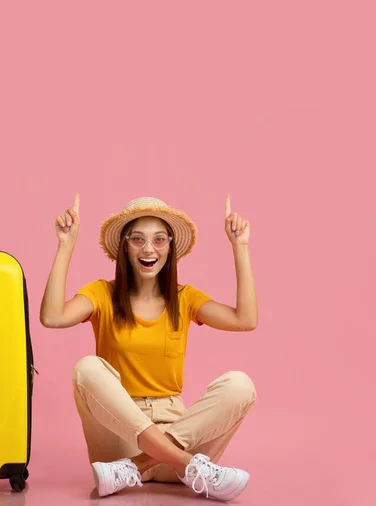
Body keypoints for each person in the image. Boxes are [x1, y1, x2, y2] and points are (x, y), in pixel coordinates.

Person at [40, 194, 258, 501]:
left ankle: (139, 466)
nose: (148, 249)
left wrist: (241, 247)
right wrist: (65, 244)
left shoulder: (185, 298)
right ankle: (188, 466)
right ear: (124, 247)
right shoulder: (102, 294)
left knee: (241, 385)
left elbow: (245, 319)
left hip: (173, 437)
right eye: (138, 239)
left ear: (170, 246)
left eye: (159, 240)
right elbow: (52, 316)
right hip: (120, 437)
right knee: (87, 368)